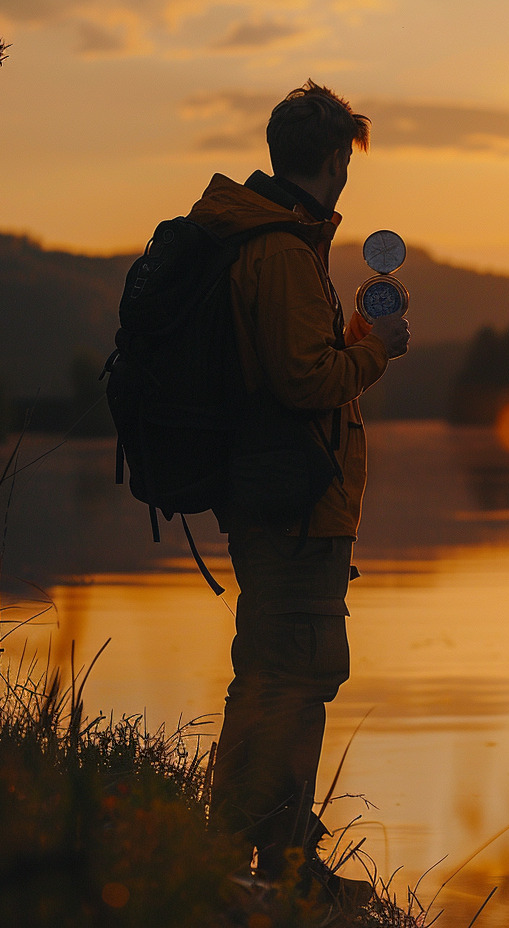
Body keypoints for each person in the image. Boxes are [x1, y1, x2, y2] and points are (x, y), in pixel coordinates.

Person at [187, 80, 410, 905]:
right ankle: (267, 866)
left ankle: (257, 855)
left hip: (284, 497)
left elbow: (299, 364)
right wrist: (378, 350)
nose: (348, 176)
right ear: (330, 161)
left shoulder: (275, 241)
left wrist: (357, 333)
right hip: (291, 504)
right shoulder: (280, 251)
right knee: (296, 676)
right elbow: (302, 380)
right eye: (345, 160)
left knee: (276, 674)